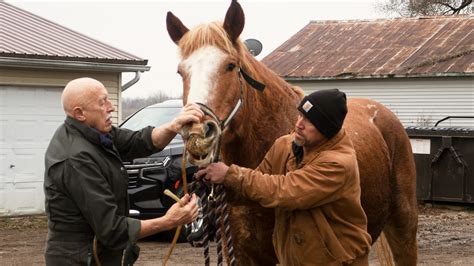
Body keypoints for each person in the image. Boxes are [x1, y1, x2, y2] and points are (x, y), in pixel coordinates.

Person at [197, 89, 372, 265]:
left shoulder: (338, 164)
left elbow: (285, 191)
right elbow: (257, 188)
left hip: (337, 261)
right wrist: (219, 187)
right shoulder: (284, 146)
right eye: (300, 115)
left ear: (326, 130)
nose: (299, 124)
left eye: (310, 121)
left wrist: (229, 175)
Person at [44, 77, 203, 265]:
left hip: (99, 255)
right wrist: (169, 221)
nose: (110, 107)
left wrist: (173, 126)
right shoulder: (75, 159)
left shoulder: (96, 133)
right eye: (102, 102)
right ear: (80, 114)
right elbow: (112, 229)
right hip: (80, 259)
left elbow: (140, 141)